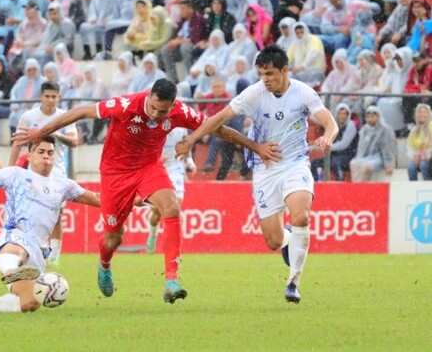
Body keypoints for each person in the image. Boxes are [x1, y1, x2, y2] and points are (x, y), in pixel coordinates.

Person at [13, 78, 281, 303]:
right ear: (149, 97)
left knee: (172, 206)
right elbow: (81, 112)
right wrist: (43, 131)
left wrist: (255, 146)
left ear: (172, 105)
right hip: (115, 174)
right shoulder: (125, 105)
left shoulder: (179, 112)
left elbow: (216, 128)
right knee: (113, 238)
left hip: (148, 168)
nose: (155, 114)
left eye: (162, 112)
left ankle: (171, 281)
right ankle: (105, 263)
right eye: (153, 107)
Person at [175, 45, 339, 304]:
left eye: (271, 74)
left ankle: (294, 281)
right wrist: (192, 140)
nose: (266, 79)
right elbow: (219, 118)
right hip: (264, 170)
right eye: (262, 74)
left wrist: (328, 137)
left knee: (301, 216)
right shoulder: (254, 93)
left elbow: (330, 122)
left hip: (295, 164)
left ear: (285, 71)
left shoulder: (303, 93)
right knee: (273, 240)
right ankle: (288, 241)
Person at [0, 134, 100, 313]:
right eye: (41, 152)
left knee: (29, 303)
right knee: (18, 250)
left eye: (50, 153)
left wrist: (133, 200)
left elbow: (98, 199)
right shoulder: (15, 175)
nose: (46, 156)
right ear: (29, 155)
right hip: (16, 235)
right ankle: (10, 270)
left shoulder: (64, 186)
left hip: (38, 253)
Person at [9, 81, 79, 266]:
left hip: (56, 171)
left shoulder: (65, 116)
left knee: (56, 214)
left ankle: (54, 255)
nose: (50, 100)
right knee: (32, 212)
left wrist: (53, 134)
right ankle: (33, 248)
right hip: (32, 172)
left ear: (59, 97)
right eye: (47, 96)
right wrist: (10, 171)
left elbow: (75, 141)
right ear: (40, 96)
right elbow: (18, 143)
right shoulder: (28, 116)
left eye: (53, 97)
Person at [145, 127, 195, 254]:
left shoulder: (182, 129)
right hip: (158, 168)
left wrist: (190, 161)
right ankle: (153, 234)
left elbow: (186, 146)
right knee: (156, 213)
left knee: (176, 205)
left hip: (176, 168)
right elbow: (146, 147)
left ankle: (171, 244)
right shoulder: (155, 125)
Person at [311, 103, 358, 181]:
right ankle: (315, 185)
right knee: (315, 163)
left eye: (344, 114)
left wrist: (323, 146)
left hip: (348, 156)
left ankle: (340, 185)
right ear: (336, 114)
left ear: (348, 115)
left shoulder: (351, 125)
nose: (342, 116)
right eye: (340, 113)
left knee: (337, 162)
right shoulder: (334, 125)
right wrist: (312, 148)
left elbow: (343, 145)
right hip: (334, 157)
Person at [349, 105, 396, 182]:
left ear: (378, 117)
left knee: (366, 167)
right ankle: (357, 188)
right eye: (368, 117)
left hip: (379, 157)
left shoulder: (385, 129)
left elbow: (387, 147)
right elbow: (361, 148)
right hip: (366, 157)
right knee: (353, 163)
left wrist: (389, 165)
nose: (370, 119)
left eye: (372, 116)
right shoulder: (364, 129)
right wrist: (359, 158)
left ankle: (363, 189)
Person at [407, 103, 432, 181]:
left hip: (429, 158)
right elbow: (410, 147)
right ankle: (413, 188)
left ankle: (428, 186)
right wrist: (415, 156)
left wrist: (425, 156)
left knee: (423, 165)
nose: (422, 114)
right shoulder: (414, 130)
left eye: (424, 112)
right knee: (411, 167)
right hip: (419, 158)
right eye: (419, 112)